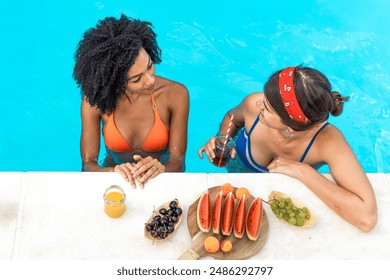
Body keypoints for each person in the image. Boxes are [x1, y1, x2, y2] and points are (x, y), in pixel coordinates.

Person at [199, 66, 377, 232]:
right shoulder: (254, 103)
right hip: (236, 174)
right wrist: (224, 138)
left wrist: (304, 171)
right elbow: (233, 117)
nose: (259, 104)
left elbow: (366, 218)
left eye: (267, 108)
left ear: (289, 128)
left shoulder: (328, 141)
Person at [73, 14, 189, 188]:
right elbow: (88, 164)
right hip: (112, 178)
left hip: (161, 175)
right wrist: (112, 172)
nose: (150, 80)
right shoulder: (95, 102)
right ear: (115, 82)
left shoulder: (176, 94)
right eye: (136, 79)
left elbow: (178, 161)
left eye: (150, 66)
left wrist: (162, 168)